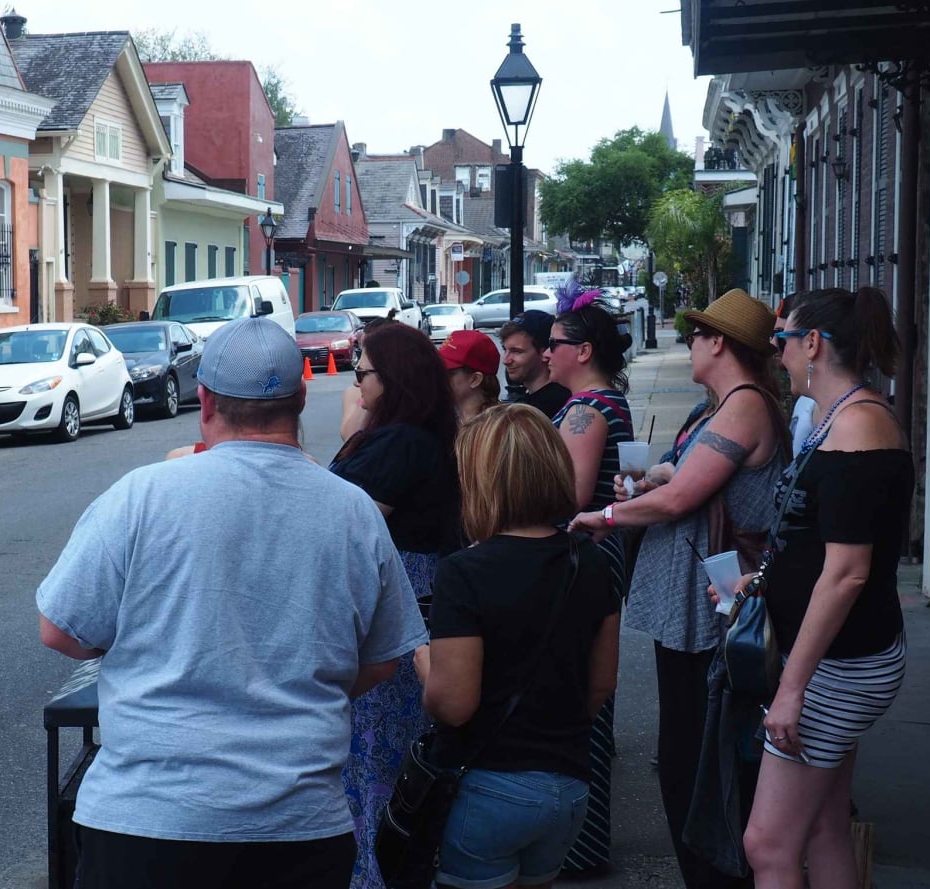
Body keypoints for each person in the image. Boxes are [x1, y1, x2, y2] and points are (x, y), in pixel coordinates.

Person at [37, 318, 426, 889]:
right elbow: (384, 658)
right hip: (299, 826)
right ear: (300, 398)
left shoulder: (142, 495)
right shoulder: (353, 511)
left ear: (205, 400)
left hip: (149, 819)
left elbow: (60, 629)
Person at [571, 289, 787, 889]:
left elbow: (681, 499)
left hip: (713, 609)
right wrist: (651, 481)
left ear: (719, 342)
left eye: (695, 335)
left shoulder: (744, 405)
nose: (688, 343)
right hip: (695, 604)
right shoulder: (722, 405)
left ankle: (715, 877)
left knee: (696, 759)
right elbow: (681, 476)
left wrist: (606, 516)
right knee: (687, 753)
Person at [742, 287, 910, 889]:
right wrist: (767, 579)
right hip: (837, 658)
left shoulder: (857, 428)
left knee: (767, 844)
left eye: (782, 340)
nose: (778, 353)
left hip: (837, 665)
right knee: (823, 827)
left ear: (812, 343)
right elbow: (820, 541)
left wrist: (792, 690)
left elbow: (848, 571)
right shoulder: (842, 420)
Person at [416, 405, 622, 889]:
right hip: (568, 786)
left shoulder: (464, 573)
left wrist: (424, 664)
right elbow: (601, 683)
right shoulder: (591, 561)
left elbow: (454, 704)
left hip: (486, 786)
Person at [330, 321, 459, 889]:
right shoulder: (412, 434)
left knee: (375, 757)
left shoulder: (401, 442)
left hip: (394, 604)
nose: (355, 380)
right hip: (411, 600)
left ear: (395, 378)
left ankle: (373, 874)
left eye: (362, 371)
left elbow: (344, 522)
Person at [543, 301, 633, 876]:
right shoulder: (600, 403)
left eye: (554, 343)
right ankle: (582, 840)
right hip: (596, 558)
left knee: (584, 699)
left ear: (583, 351)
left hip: (585, 561)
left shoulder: (587, 409)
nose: (546, 352)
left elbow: (570, 496)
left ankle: (582, 845)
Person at [501, 310, 572, 419]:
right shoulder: (530, 401)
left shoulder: (551, 407)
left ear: (545, 352)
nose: (506, 360)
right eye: (505, 350)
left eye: (516, 352)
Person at [776, 294, 816, 455]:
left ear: (811, 342)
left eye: (782, 338)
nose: (774, 344)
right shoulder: (807, 399)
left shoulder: (845, 419)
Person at [439, 329, 502, 420]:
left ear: (475, 380)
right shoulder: (443, 419)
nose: (437, 378)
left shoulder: (501, 425)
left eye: (446, 373)